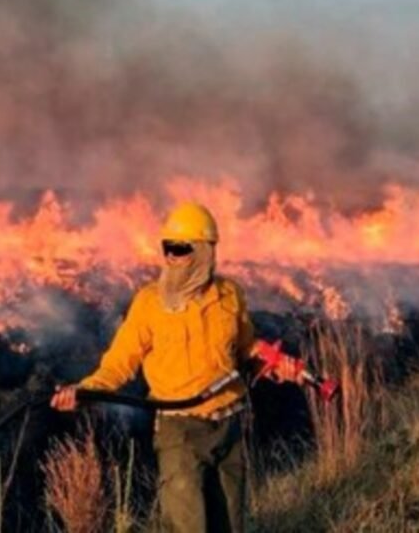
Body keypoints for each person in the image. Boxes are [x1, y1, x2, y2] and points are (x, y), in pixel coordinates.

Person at [51, 202, 301, 533]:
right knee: (187, 526)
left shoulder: (230, 296)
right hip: (179, 433)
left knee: (231, 525)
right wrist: (84, 391)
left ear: (204, 251)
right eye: (167, 247)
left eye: (180, 249)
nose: (171, 256)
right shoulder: (150, 303)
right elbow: (119, 362)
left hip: (228, 426)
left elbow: (244, 348)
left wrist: (274, 364)